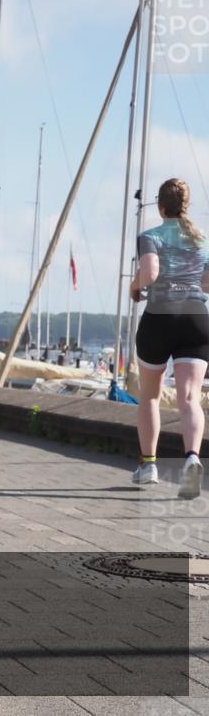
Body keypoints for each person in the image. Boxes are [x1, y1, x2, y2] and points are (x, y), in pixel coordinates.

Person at [129, 178, 207, 499]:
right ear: (185, 206)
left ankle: (149, 465)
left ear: (160, 207)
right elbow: (207, 284)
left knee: (150, 396)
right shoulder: (201, 240)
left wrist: (134, 287)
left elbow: (149, 272)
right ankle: (191, 458)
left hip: (160, 318)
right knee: (190, 398)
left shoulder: (151, 236)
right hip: (196, 320)